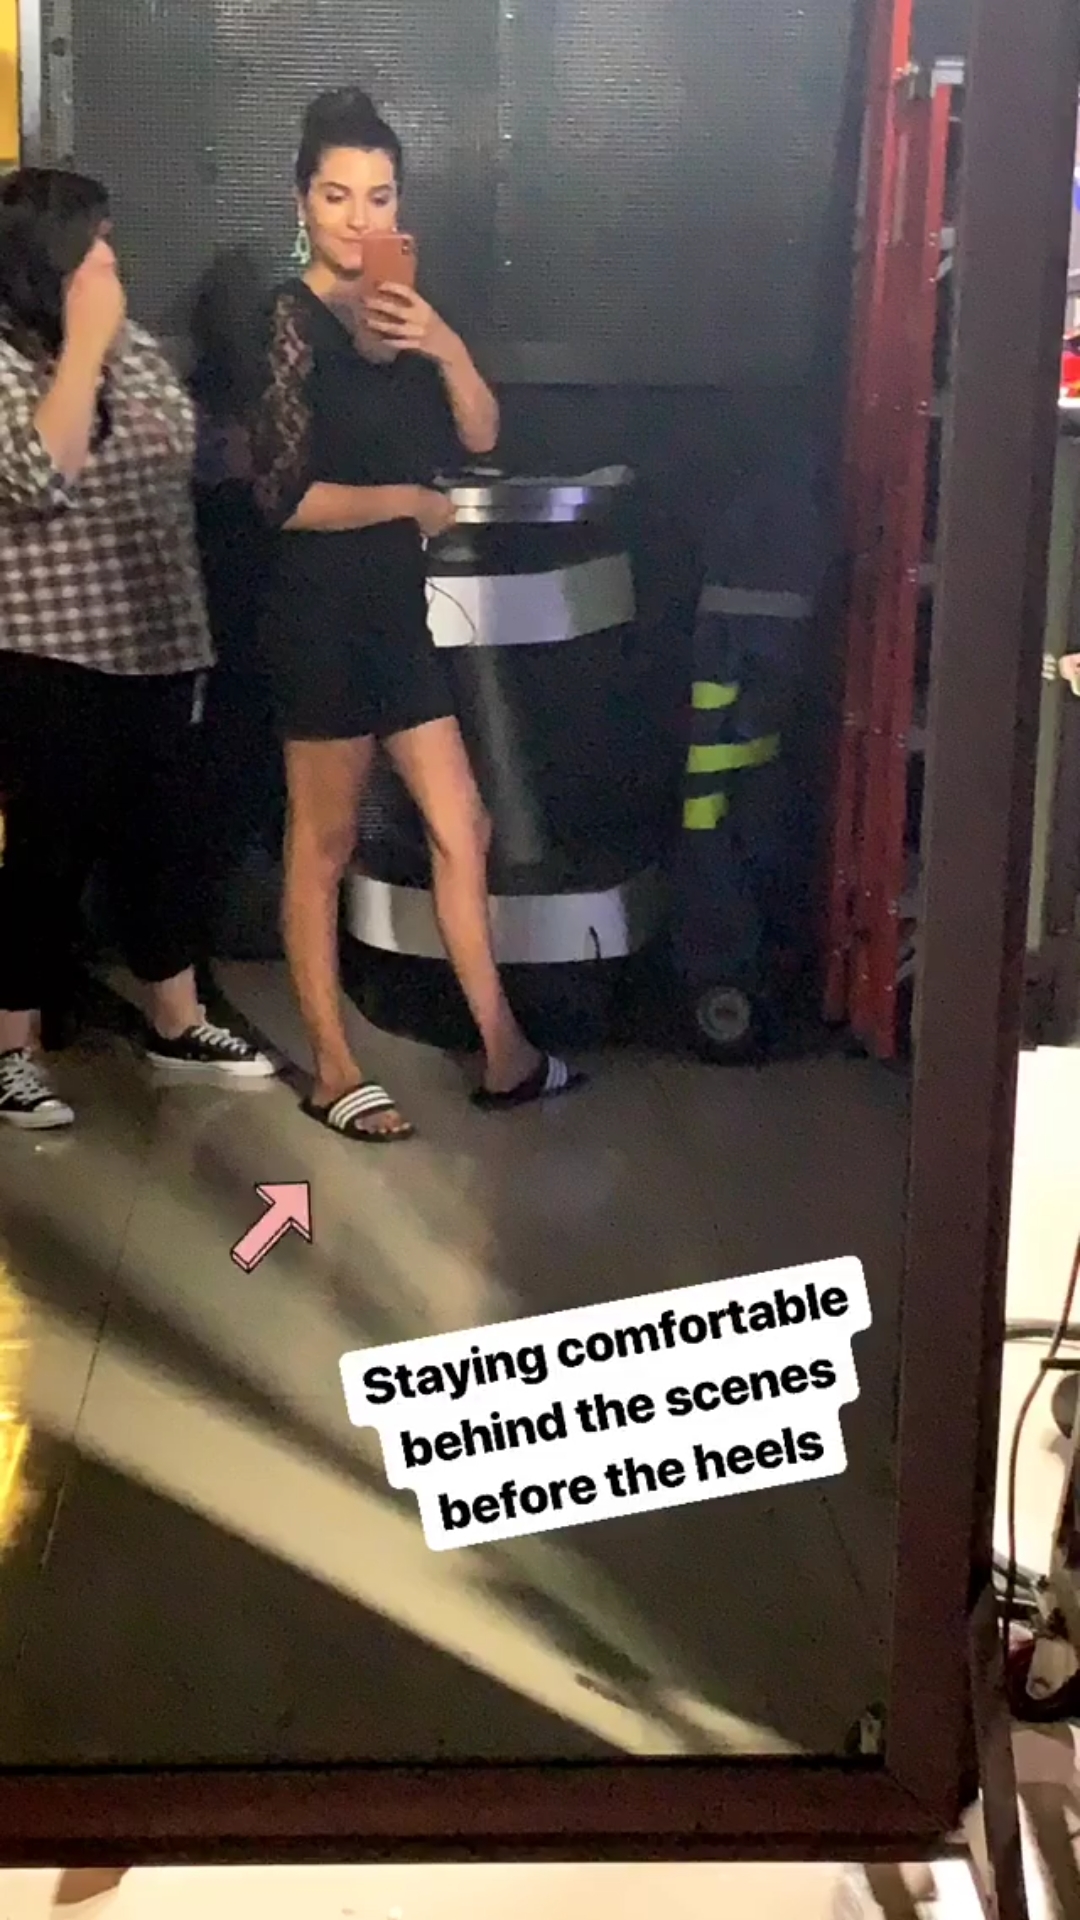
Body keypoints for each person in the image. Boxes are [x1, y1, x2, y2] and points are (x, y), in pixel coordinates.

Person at [248, 87, 585, 1142]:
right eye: (337, 195)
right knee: (323, 843)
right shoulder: (287, 320)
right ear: (302, 202)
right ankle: (332, 1068)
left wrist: (443, 342)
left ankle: (504, 1050)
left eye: (379, 196)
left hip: (396, 615)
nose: (359, 218)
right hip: (317, 615)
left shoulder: (405, 317)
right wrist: (409, 503)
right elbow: (284, 498)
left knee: (462, 824)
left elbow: (482, 435)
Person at [0, 167, 275, 1131]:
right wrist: (82, 347)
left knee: (163, 840)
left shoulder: (139, 349)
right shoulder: (11, 361)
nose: (113, 259)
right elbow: (38, 475)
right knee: (47, 855)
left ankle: (175, 1019)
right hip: (50, 649)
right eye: (96, 244)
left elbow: (189, 452)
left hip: (161, 639)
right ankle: (12, 1047)